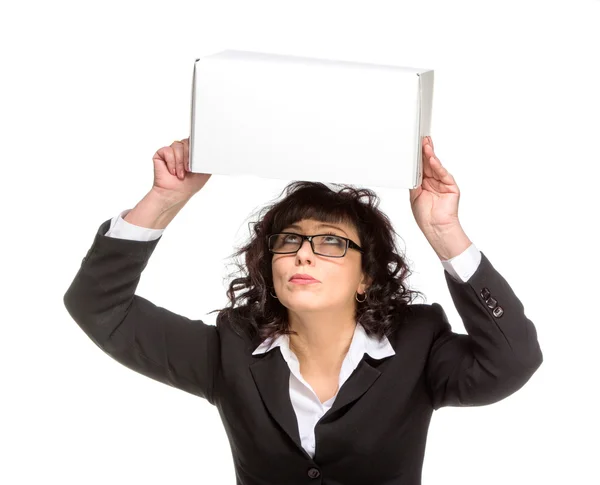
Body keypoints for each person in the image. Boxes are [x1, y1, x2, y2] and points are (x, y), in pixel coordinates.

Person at [63, 136, 543, 485]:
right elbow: (98, 306)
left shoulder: (417, 345)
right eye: (290, 240)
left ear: (366, 276)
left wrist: (444, 233)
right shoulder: (229, 350)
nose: (304, 253)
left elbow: (513, 360)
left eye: (331, 242)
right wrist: (164, 199)